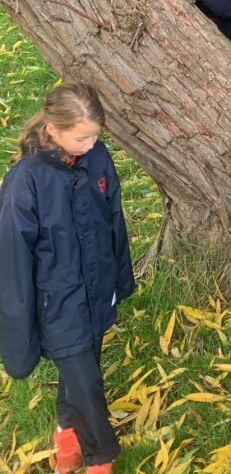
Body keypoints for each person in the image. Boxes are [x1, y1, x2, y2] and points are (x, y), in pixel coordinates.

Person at [0, 83, 135, 474]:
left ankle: (66, 434)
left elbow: (115, 222)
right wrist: (18, 334)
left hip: (97, 290)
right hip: (55, 304)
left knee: (83, 371)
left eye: (96, 135)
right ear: (53, 131)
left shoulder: (96, 158)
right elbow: (12, 261)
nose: (91, 144)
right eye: (81, 137)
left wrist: (120, 280)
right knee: (87, 384)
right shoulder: (25, 182)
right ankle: (101, 457)